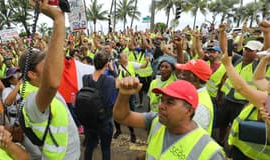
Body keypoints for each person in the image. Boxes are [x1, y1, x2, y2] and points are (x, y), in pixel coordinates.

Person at [18, 0, 80, 159]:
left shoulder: (37, 88)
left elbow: (52, 54)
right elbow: (52, 84)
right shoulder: (31, 101)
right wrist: (58, 19)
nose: (49, 64)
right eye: (43, 62)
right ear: (31, 74)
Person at [113, 77, 225, 159]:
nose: (161, 106)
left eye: (170, 102)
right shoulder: (156, 120)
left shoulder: (210, 152)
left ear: (189, 110)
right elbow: (122, 117)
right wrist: (124, 94)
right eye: (162, 100)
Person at [219, 21, 270, 160]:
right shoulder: (238, 60)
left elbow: (242, 88)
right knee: (223, 125)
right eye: (246, 48)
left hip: (242, 103)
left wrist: (266, 35)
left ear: (257, 53)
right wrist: (222, 33)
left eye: (250, 50)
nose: (246, 51)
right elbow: (225, 50)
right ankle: (223, 143)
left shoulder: (256, 66)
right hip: (230, 101)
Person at [1, 67, 41, 160]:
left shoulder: (27, 87)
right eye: (16, 75)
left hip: (30, 122)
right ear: (10, 80)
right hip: (17, 124)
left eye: (20, 74)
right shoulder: (7, 90)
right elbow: (7, 102)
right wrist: (18, 85)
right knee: (36, 154)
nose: (19, 76)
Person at [84, 52, 117, 160]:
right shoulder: (110, 80)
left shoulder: (85, 78)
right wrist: (112, 70)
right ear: (106, 64)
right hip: (105, 120)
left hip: (89, 120)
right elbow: (116, 83)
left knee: (89, 147)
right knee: (105, 149)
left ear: (93, 63)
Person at [175, 59, 214, 135]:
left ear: (195, 79)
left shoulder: (200, 107)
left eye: (183, 75)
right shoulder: (192, 96)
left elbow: (188, 136)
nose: (179, 76)